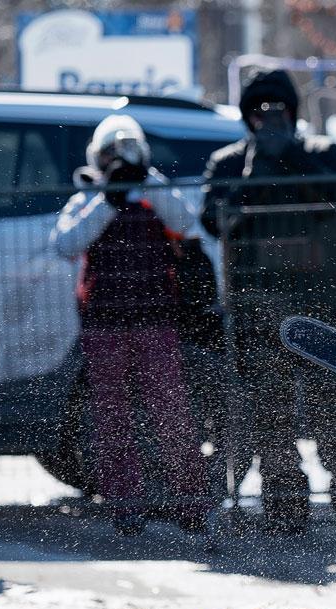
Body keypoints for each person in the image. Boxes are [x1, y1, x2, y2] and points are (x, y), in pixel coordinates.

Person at [201, 68, 336, 536]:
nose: (269, 120)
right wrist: (254, 173)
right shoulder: (228, 163)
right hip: (257, 309)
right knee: (271, 416)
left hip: (317, 305)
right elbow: (213, 220)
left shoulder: (321, 154)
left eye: (278, 111)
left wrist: (289, 160)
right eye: (259, 112)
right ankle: (285, 511)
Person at [52, 114, 208, 536]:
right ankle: (125, 503)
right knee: (112, 416)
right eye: (112, 153)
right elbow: (65, 244)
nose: (120, 160)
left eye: (128, 151)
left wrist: (146, 180)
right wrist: (109, 198)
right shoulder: (89, 196)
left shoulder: (154, 192)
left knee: (170, 411)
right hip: (104, 324)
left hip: (155, 320)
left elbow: (184, 220)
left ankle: (190, 501)